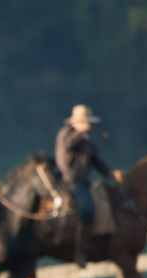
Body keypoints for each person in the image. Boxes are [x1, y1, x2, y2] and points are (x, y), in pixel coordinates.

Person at [54, 105, 124, 268]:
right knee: (87, 209)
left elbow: (97, 160)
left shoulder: (88, 138)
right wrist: (80, 134)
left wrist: (111, 173)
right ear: (76, 122)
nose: (88, 125)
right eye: (85, 122)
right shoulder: (66, 134)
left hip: (85, 181)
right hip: (70, 181)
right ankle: (79, 251)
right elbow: (66, 147)